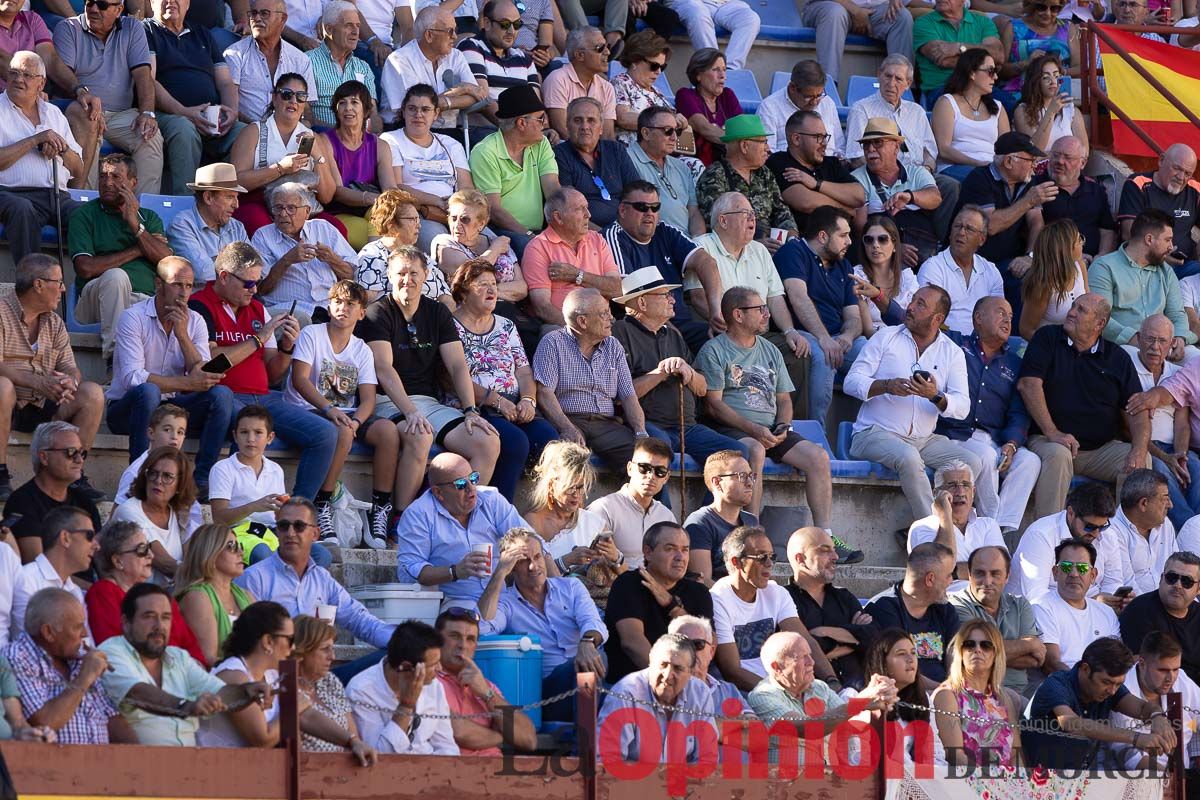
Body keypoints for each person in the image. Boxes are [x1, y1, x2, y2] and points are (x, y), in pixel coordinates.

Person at [356, 246, 501, 513]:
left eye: (414, 273)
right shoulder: (378, 312)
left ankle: (449, 516)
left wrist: (470, 410)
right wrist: (410, 412)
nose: (407, 280)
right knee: (420, 435)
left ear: (425, 276)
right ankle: (402, 518)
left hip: (429, 403)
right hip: (387, 400)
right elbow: (383, 368)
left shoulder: (437, 312)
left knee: (487, 441)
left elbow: (457, 365)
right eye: (400, 273)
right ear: (389, 275)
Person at [695, 286, 836, 530]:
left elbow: (784, 400)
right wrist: (754, 430)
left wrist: (783, 426)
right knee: (756, 450)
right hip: (730, 428)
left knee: (819, 457)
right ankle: (751, 531)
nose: (766, 314)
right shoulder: (714, 350)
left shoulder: (770, 349)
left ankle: (825, 535)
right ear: (738, 315)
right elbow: (713, 405)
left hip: (771, 430)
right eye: (759, 309)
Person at [843, 285, 981, 520]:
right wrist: (886, 386)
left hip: (924, 440)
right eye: (913, 300)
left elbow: (962, 406)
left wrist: (935, 396)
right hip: (873, 433)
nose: (910, 307)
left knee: (971, 462)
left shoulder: (952, 352)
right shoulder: (886, 337)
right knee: (909, 457)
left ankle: (941, 518)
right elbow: (851, 382)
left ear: (937, 318)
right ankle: (933, 531)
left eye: (920, 305)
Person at [105, 257, 232, 495]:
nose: (184, 293)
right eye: (177, 284)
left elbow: (202, 373)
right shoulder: (133, 317)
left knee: (222, 395)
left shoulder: (195, 321)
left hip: (172, 409)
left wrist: (182, 335)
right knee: (148, 390)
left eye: (189, 286)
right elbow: (132, 378)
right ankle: (141, 474)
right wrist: (186, 383)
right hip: (128, 409)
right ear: (158, 284)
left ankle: (202, 479)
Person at [284, 280, 399, 543]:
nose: (342, 308)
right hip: (309, 409)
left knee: (388, 432)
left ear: (361, 312)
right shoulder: (312, 334)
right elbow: (300, 380)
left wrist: (357, 421)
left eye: (350, 304)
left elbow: (368, 399)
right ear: (329, 304)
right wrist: (329, 409)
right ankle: (322, 502)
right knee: (343, 432)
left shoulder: (362, 349)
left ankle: (380, 507)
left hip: (347, 413)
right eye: (337, 301)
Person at [1018, 293, 1151, 518]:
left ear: (1100, 323)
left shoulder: (1117, 357)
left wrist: (1138, 450)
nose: (1071, 312)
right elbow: (1028, 385)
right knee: (1059, 455)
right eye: (1073, 306)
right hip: (1048, 440)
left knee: (1141, 459)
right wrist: (1053, 432)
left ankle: (1123, 539)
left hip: (1099, 451)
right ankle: (1049, 537)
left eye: (1081, 310)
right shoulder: (1048, 337)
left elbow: (1138, 411)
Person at [611, 265, 749, 465]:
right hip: (649, 425)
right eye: (665, 295)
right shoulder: (619, 333)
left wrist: (689, 372)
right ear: (642, 302)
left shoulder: (673, 334)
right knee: (657, 451)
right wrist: (660, 372)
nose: (673, 300)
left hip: (687, 428)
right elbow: (618, 396)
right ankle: (656, 499)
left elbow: (702, 389)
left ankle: (716, 499)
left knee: (737, 452)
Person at [97, 583, 265, 747]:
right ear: (126, 622)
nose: (159, 626)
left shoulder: (179, 657)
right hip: (135, 767)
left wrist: (246, 691)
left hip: (188, 765)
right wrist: (184, 706)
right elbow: (137, 692)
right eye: (149, 616)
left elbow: (219, 692)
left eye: (166, 617)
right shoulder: (111, 651)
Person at [448, 260, 557, 502]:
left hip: (514, 405)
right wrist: (497, 401)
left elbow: (525, 371)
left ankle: (541, 517)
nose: (492, 290)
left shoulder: (506, 325)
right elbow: (450, 378)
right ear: (463, 292)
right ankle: (497, 511)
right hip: (476, 406)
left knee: (550, 441)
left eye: (494, 284)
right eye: (482, 285)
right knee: (515, 442)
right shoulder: (450, 326)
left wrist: (528, 400)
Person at [0, 254, 104, 501]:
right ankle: (0, 473)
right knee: (2, 387)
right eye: (58, 282)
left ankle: (75, 476)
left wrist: (70, 381)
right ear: (38, 285)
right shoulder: (1, 313)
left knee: (92, 393)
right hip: (9, 404)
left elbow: (70, 366)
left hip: (43, 405)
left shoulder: (54, 322)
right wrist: (38, 382)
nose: (63, 288)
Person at [687, 193, 808, 406]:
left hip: (759, 336)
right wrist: (730, 327)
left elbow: (775, 297)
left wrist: (790, 331)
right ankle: (734, 420)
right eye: (745, 214)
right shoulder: (701, 247)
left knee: (797, 352)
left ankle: (787, 425)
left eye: (753, 214)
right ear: (723, 220)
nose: (753, 219)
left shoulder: (760, 250)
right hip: (722, 334)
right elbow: (696, 297)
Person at [478, 528, 607, 722]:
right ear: (511, 567)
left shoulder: (571, 588)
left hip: (587, 679)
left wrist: (587, 643)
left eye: (537, 557)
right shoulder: (506, 603)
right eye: (523, 561)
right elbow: (482, 628)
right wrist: (499, 573)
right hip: (547, 694)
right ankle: (587, 746)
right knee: (583, 667)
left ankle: (586, 742)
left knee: (598, 660)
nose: (533, 566)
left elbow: (593, 622)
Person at [937, 297, 1040, 532]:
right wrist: (881, 299)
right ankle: (990, 530)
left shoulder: (1014, 363)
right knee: (984, 456)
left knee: (1030, 461)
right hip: (956, 435)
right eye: (1001, 313)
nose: (1008, 320)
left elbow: (1019, 412)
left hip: (994, 439)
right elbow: (921, 324)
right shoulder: (955, 344)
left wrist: (1012, 444)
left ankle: (1001, 528)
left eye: (1011, 316)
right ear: (978, 318)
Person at [238, 498, 394, 652]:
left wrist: (402, 641)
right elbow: (247, 640)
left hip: (317, 670)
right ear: (277, 531)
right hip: (276, 670)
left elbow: (360, 621)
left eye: (299, 526)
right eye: (283, 526)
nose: (290, 533)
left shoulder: (322, 579)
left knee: (395, 655)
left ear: (315, 534)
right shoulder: (254, 578)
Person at [68, 154, 172, 361]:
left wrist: (135, 226)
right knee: (116, 277)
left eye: (116, 177)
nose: (107, 183)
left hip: (144, 301)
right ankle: (115, 360)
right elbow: (85, 268)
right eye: (103, 176)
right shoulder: (84, 215)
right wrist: (138, 248)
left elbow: (167, 261)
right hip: (97, 299)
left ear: (133, 183)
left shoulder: (148, 218)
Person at [532, 287, 648, 472]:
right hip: (569, 419)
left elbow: (628, 395)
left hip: (607, 424)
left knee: (645, 462)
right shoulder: (552, 342)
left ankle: (629, 501)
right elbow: (544, 393)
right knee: (568, 462)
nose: (611, 319)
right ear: (582, 321)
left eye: (609, 312)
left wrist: (640, 432)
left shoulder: (613, 346)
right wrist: (566, 427)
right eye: (604, 314)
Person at [711, 525, 838, 692]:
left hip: (780, 686)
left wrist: (832, 681)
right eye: (761, 557)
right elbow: (732, 670)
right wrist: (779, 694)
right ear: (737, 562)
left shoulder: (776, 592)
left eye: (772, 556)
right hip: (742, 691)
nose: (769, 564)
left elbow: (805, 640)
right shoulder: (718, 599)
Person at [54, 0, 163, 193]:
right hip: (85, 111)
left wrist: (147, 113)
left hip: (122, 114)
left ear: (119, 9)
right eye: (90, 3)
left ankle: (144, 211)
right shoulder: (69, 27)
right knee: (88, 120)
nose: (94, 9)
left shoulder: (133, 28)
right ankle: (84, 205)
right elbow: (63, 74)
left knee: (150, 136)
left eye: (102, 5)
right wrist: (83, 94)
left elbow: (143, 76)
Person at [395, 453, 528, 608]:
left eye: (473, 478)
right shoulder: (418, 514)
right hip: (456, 603)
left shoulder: (491, 500)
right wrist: (455, 571)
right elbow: (411, 571)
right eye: (460, 484)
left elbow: (530, 539)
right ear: (438, 493)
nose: (471, 488)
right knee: (480, 624)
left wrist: (557, 586)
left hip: (502, 599)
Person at [1023, 637, 1176, 771]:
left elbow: (1143, 708)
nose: (1112, 691)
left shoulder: (1110, 687)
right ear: (1085, 669)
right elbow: (1072, 724)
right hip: (1034, 780)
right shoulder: (1056, 684)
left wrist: (1158, 716)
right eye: (1106, 682)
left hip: (1076, 781)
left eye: (1118, 684)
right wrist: (1135, 738)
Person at [746, 631, 898, 765]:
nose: (811, 662)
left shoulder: (819, 687)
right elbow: (806, 729)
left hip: (827, 786)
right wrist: (862, 701)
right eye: (802, 658)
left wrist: (878, 699)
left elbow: (849, 724)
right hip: (783, 790)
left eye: (810, 655)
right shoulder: (762, 696)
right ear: (776, 667)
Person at [775, 206, 866, 426]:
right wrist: (825, 339)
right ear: (823, 236)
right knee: (824, 356)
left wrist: (846, 337)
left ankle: (874, 431)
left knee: (873, 352)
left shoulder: (843, 265)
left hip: (836, 337)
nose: (850, 242)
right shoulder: (794, 251)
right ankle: (817, 434)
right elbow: (798, 297)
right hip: (803, 333)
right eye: (843, 235)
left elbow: (854, 318)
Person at [6, 588, 131, 744]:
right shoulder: (17, 656)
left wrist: (143, 760)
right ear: (48, 632)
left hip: (100, 762)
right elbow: (44, 723)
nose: (85, 633)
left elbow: (112, 720)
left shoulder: (77, 658)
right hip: (53, 764)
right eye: (78, 627)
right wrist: (85, 677)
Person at [145, 0, 241, 197]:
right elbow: (148, 80)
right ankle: (185, 207)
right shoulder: (146, 31)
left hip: (210, 115)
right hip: (168, 115)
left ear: (187, 4)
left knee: (245, 133)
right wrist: (184, 112)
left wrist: (232, 111)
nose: (171, 1)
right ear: (151, 2)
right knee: (184, 129)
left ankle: (229, 204)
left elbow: (225, 82)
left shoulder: (202, 33)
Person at [0, 51, 86, 265]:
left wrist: (61, 148)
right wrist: (35, 140)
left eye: (27, 75)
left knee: (87, 214)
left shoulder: (54, 113)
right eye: (14, 73)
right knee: (22, 209)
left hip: (58, 195)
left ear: (41, 84)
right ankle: (30, 285)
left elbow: (78, 170)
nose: (19, 79)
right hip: (11, 194)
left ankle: (88, 282)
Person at [227, 72, 337, 236]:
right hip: (261, 203)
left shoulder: (313, 137)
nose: (294, 101)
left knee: (336, 228)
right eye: (287, 95)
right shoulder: (253, 131)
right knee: (257, 222)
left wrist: (318, 155)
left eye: (301, 96)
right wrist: (280, 169)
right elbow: (236, 182)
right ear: (274, 98)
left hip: (300, 207)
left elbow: (327, 196)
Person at [604, 521, 713, 683]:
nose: (680, 557)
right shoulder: (627, 584)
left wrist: (671, 605)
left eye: (685, 550)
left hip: (690, 683)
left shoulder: (698, 591)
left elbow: (708, 646)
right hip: (637, 685)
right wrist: (670, 680)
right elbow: (632, 642)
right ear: (647, 552)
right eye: (670, 549)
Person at [85, 520, 204, 663]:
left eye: (149, 548)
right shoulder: (103, 593)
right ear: (118, 561)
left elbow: (193, 649)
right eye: (142, 550)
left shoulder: (160, 597)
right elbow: (116, 651)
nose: (151, 556)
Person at [1090, 208, 1197, 359]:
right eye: (1167, 240)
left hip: (1164, 346)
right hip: (1123, 347)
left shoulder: (1167, 272)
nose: (1171, 247)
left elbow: (1177, 315)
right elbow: (1099, 319)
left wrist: (1180, 338)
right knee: (1134, 361)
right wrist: (1139, 341)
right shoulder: (1104, 267)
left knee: (1195, 358)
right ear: (1149, 239)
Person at [1125, 315, 1200, 528]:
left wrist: (1180, 454)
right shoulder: (1126, 369)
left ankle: (1197, 527)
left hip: (1174, 448)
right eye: (1150, 339)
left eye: (1162, 341)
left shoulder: (1177, 373)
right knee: (1160, 471)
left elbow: (1182, 423)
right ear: (1139, 338)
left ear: (1172, 343)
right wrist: (1166, 457)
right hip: (1146, 447)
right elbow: (1126, 428)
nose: (1155, 347)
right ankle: (1188, 528)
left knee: (1194, 465)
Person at [597, 633, 717, 763]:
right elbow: (606, 760)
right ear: (650, 662)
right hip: (630, 781)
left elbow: (707, 758)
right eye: (663, 665)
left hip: (682, 781)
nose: (667, 676)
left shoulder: (700, 693)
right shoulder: (626, 693)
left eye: (678, 669)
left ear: (690, 673)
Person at [467, 84, 561, 250]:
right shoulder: (485, 152)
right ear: (522, 123)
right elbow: (493, 210)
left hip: (538, 232)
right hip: (503, 232)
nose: (545, 123)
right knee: (534, 251)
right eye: (540, 118)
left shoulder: (541, 143)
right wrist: (530, 237)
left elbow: (553, 190)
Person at [380, 84, 472, 252]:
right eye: (412, 109)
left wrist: (456, 207)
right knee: (447, 250)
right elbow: (396, 188)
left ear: (436, 113)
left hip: (455, 211)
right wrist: (436, 201)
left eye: (425, 109)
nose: (418, 115)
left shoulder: (451, 144)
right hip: (419, 213)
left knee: (494, 245)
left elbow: (466, 188)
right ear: (403, 111)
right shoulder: (390, 140)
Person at [346, 620, 459, 755]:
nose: (440, 669)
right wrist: (406, 706)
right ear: (406, 667)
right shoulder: (361, 691)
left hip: (431, 769)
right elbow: (379, 756)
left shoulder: (434, 686)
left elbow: (447, 747)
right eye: (433, 664)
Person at [433, 608, 537, 753]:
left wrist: (487, 694)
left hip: (495, 770)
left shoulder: (485, 685)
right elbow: (458, 732)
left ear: (476, 646)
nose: (462, 645)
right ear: (437, 641)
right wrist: (502, 736)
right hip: (450, 771)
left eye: (470, 639)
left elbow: (528, 739)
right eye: (454, 636)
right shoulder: (428, 679)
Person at [250, 182, 359, 320]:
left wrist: (332, 259)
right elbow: (260, 289)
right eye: (278, 208)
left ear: (307, 211)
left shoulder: (324, 228)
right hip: (288, 312)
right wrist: (286, 260)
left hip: (329, 308)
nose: (283, 213)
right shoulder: (263, 236)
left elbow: (351, 275)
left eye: (291, 208)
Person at [786, 526, 879, 689]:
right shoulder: (784, 599)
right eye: (825, 550)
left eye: (834, 550)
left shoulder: (844, 596)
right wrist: (853, 636)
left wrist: (822, 632)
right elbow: (798, 651)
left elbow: (874, 637)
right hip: (811, 694)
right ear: (800, 559)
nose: (835, 556)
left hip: (860, 691)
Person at [949, 545, 1045, 693]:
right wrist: (1030, 644)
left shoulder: (1020, 605)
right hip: (976, 693)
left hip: (1022, 691)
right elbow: (972, 653)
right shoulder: (956, 605)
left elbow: (1034, 659)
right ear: (969, 574)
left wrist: (990, 654)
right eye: (980, 573)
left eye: (995, 574)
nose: (987, 581)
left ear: (1007, 576)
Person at [864, 542, 961, 688]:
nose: (951, 581)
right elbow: (897, 671)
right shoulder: (884, 608)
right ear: (930, 579)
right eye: (948, 575)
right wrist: (944, 691)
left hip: (945, 695)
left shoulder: (945, 610)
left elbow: (955, 659)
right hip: (906, 695)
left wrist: (954, 690)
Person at [697, 115, 798, 254]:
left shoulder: (764, 173)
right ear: (744, 145)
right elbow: (719, 224)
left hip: (771, 249)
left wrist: (792, 238)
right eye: (763, 142)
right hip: (734, 252)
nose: (768, 148)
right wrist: (753, 245)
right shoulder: (715, 176)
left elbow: (781, 211)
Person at [4, 422, 101, 564]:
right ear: (44, 457)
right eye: (71, 452)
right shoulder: (22, 502)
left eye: (82, 453)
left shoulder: (85, 502)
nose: (79, 460)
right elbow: (40, 568)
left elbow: (101, 557)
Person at [523, 188, 621, 326]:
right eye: (580, 209)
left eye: (587, 208)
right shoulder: (538, 247)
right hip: (563, 328)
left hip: (604, 324)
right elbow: (542, 307)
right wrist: (581, 330)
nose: (588, 214)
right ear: (558, 217)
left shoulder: (597, 240)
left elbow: (616, 289)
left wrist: (577, 275)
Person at [850, 118, 942, 266]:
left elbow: (935, 198)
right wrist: (893, 249)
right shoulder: (856, 178)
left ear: (896, 147)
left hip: (922, 251)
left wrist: (910, 197)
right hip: (880, 254)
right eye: (866, 144)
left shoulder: (916, 172)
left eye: (878, 142)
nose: (871, 149)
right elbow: (861, 227)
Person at [931, 620, 1022, 768]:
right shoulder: (947, 695)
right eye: (969, 644)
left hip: (1007, 786)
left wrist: (1018, 786)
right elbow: (955, 756)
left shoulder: (1003, 698)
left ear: (996, 654)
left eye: (986, 646)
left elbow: (1016, 755)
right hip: (967, 785)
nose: (977, 650)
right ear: (960, 652)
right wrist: (991, 782)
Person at [431, 190, 526, 328]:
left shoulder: (495, 241)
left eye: (464, 219)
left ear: (481, 224)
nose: (456, 225)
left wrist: (485, 292)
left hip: (509, 314)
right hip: (471, 319)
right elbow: (470, 274)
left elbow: (522, 288)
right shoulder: (443, 243)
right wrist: (495, 249)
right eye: (453, 218)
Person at [318, 81, 395, 251]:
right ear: (336, 110)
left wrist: (382, 202)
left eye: (354, 102)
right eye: (342, 103)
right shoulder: (325, 141)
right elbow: (337, 191)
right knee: (376, 231)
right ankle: (375, 267)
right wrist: (371, 198)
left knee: (387, 218)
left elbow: (390, 188)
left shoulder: (380, 145)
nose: (348, 108)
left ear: (366, 110)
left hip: (373, 208)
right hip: (339, 211)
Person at [380, 6, 484, 132]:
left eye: (456, 30)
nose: (455, 36)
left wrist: (445, 103)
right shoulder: (399, 60)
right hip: (406, 131)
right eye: (450, 31)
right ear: (429, 35)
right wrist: (462, 89)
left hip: (447, 132)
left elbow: (476, 95)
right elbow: (417, 107)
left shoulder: (455, 56)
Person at [207, 406, 289, 556]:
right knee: (263, 552)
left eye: (258, 433)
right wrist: (254, 506)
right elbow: (219, 518)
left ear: (270, 438)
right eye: (244, 432)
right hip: (237, 533)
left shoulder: (276, 469)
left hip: (271, 533)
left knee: (319, 553)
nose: (250, 439)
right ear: (235, 436)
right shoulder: (223, 468)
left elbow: (278, 516)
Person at [768, 111, 865, 237]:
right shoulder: (779, 162)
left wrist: (817, 184)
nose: (824, 143)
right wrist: (845, 209)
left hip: (843, 243)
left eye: (825, 137)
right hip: (805, 244)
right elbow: (805, 202)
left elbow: (859, 196)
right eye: (818, 137)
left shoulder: (831, 163)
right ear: (796, 139)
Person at [292, 614, 376, 760]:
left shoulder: (329, 681)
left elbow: (354, 734)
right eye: (325, 649)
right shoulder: (285, 688)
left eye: (332, 648)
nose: (333, 656)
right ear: (302, 651)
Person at [844, 56, 940, 182]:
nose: (891, 83)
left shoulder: (917, 112)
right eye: (888, 76)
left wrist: (925, 172)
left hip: (918, 176)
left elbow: (930, 153)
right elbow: (856, 157)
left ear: (908, 84)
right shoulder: (861, 109)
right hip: (882, 179)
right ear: (879, 75)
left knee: (950, 187)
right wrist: (890, 178)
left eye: (898, 79)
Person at [111, 447, 197, 586]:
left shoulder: (180, 513)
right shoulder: (128, 511)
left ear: (180, 486)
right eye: (153, 473)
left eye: (167, 476)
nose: (158, 480)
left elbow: (193, 556)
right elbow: (165, 564)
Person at [10, 504, 97, 640]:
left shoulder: (74, 590)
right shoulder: (26, 580)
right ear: (65, 538)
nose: (96, 545)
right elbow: (29, 645)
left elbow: (85, 643)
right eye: (90, 536)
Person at [1033, 539, 1120, 673]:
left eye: (1082, 568)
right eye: (1067, 566)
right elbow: (1051, 664)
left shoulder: (1106, 612)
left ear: (1093, 575)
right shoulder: (1042, 606)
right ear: (1055, 573)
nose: (1074, 574)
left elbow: (1116, 659)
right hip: (1063, 687)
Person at [222, 0, 316, 124]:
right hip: (247, 132)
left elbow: (307, 110)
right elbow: (231, 108)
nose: (257, 18)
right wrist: (263, 132)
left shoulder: (300, 60)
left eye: (264, 14)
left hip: (289, 135)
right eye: (253, 13)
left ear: (282, 19)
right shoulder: (234, 54)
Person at [175, 523, 255, 666]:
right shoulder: (197, 597)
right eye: (232, 546)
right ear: (210, 553)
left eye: (240, 546)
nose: (241, 552)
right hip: (218, 681)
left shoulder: (246, 596)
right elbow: (207, 659)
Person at [906, 462, 1007, 576]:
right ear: (936, 493)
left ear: (973, 492)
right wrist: (945, 516)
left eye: (965, 485)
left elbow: (1000, 569)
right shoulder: (922, 527)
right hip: (946, 594)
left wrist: (952, 573)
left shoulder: (988, 525)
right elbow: (935, 571)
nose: (960, 492)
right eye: (952, 485)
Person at [585, 438, 676, 563]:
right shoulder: (604, 509)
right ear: (630, 468)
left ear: (666, 477)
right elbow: (592, 566)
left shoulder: (666, 517)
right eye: (644, 467)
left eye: (660, 471)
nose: (651, 476)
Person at [918, 207, 1005, 337]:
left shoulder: (991, 271)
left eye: (969, 229)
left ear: (981, 239)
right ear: (950, 232)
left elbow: (998, 315)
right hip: (944, 342)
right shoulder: (933, 267)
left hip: (982, 344)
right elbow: (926, 317)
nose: (961, 232)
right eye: (957, 226)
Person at [357, 189, 452, 308]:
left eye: (418, 219)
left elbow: (446, 298)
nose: (419, 225)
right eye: (412, 219)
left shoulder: (423, 258)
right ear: (391, 224)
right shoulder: (372, 255)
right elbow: (367, 301)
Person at [554, 98, 639, 229]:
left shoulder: (616, 150)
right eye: (577, 120)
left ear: (601, 128)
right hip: (590, 232)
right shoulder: (559, 155)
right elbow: (570, 208)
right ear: (567, 125)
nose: (584, 127)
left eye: (591, 120)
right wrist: (603, 236)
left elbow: (636, 191)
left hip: (627, 227)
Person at [1117, 144, 1200, 274]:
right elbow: (1129, 233)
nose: (1181, 177)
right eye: (1177, 168)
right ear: (1161, 160)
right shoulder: (1138, 183)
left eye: (1188, 173)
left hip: (1185, 267)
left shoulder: (1195, 190)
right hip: (1145, 264)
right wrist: (1161, 257)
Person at [1120, 551, 1200, 685]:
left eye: (1187, 581)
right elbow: (1141, 667)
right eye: (1172, 577)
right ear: (1161, 578)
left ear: (1198, 589)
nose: (1178, 585)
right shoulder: (1140, 610)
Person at [1035, 136, 1116, 267]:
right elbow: (1035, 228)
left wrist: (1101, 258)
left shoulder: (1096, 191)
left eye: (1068, 158)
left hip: (1092, 263)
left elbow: (1107, 230)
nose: (1060, 161)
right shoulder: (1037, 187)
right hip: (1051, 263)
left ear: (1082, 163)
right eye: (1055, 155)